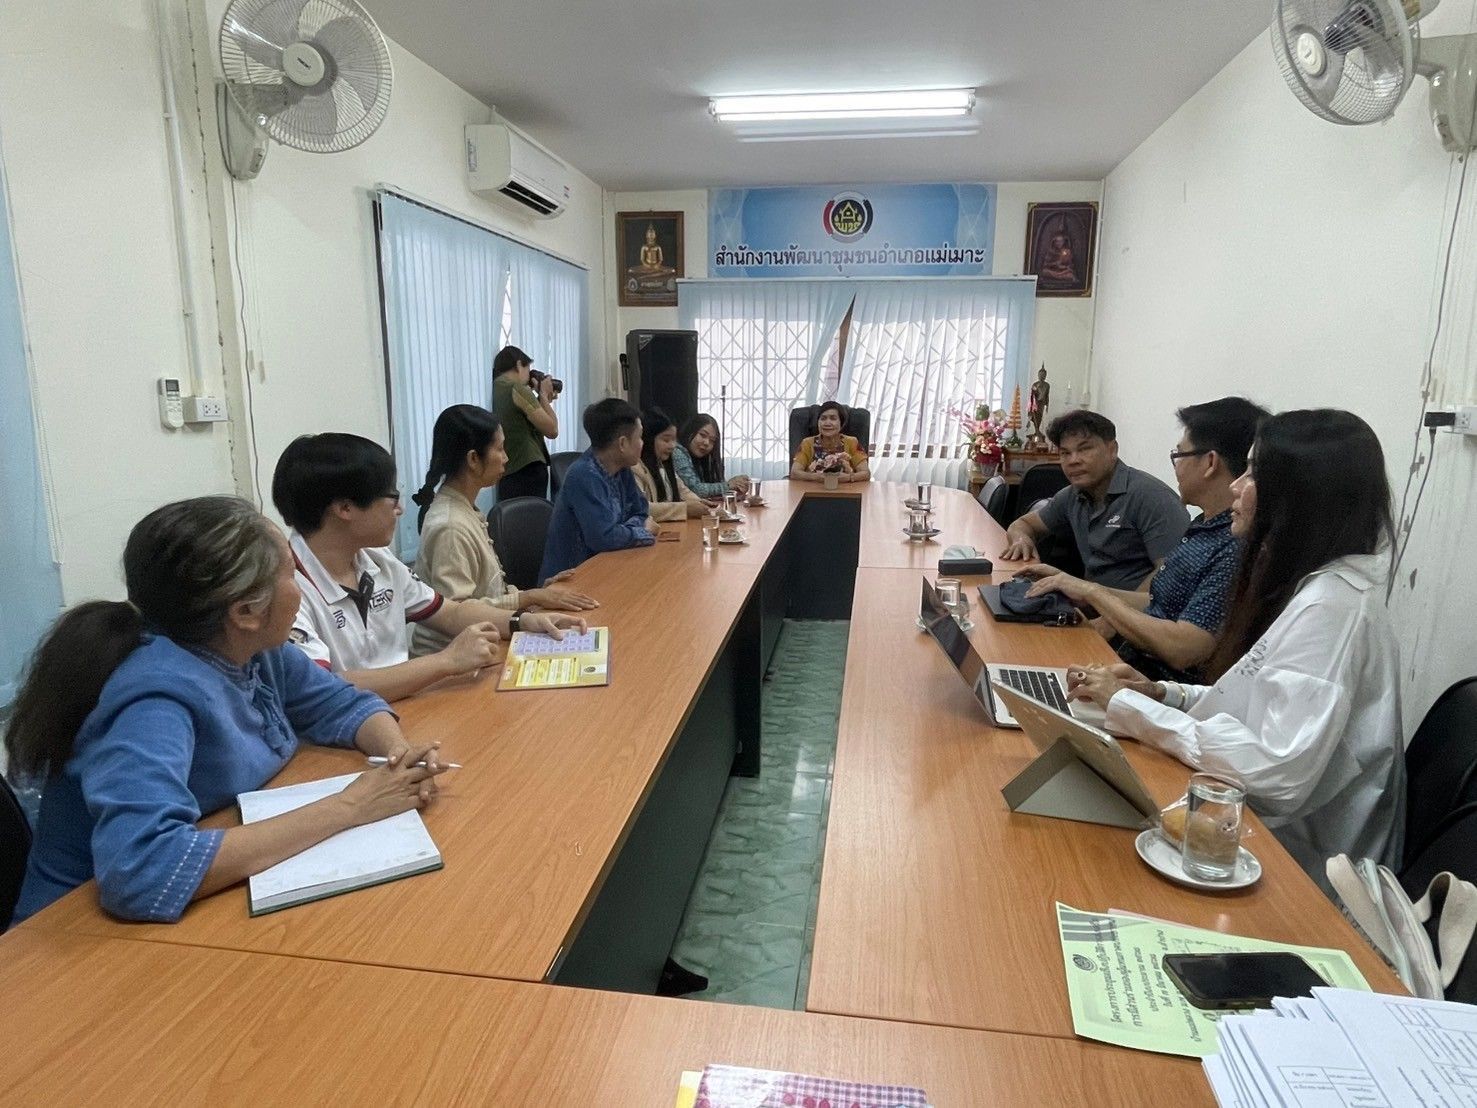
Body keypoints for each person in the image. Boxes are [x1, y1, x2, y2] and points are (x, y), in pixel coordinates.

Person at [5, 496, 451, 925]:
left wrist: (396, 755)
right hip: (72, 944)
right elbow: (143, 871)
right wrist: (353, 804)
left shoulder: (252, 649)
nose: (301, 588)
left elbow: (338, 701)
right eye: (293, 575)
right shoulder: (152, 701)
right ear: (245, 612)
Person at [1066, 409, 1404, 891]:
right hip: (1247, 830)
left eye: (1252, 474)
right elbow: (1246, 701)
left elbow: (1275, 772)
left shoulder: (1334, 609)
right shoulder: (1316, 587)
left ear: (1298, 498)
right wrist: (1160, 694)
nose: (1236, 488)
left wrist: (1132, 710)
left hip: (1298, 869)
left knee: (1090, 858)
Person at [273, 432, 584, 701]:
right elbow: (325, 688)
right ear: (344, 508)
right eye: (391, 497)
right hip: (339, 734)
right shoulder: (285, 590)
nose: (400, 508)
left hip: (403, 707)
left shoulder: (377, 562)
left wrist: (522, 622)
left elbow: (448, 613)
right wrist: (445, 662)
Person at [1020, 397, 1268, 682]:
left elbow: (1185, 649)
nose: (1175, 467)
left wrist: (1094, 595)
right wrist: (1070, 583)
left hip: (1155, 689)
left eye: (1179, 455)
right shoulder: (1204, 524)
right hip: (1128, 665)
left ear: (1210, 463)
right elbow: (1156, 602)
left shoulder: (1234, 543)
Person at [409, 405, 598, 659]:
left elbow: (487, 593)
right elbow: (457, 614)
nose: (506, 458)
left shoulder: (464, 508)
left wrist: (531, 597)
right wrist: (527, 598)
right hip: (453, 660)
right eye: (499, 449)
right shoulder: (450, 525)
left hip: (487, 641)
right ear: (473, 459)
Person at [1000, 409, 1188, 590]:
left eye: (1084, 449)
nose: (1073, 460)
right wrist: (1020, 540)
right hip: (1090, 605)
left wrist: (1112, 615)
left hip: (1135, 616)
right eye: (1065, 453)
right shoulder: (1072, 495)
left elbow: (1173, 577)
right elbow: (1023, 524)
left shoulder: (1150, 497)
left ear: (1112, 450)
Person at [540, 398, 659, 580]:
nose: (643, 443)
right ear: (622, 444)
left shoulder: (622, 469)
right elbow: (603, 538)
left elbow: (641, 512)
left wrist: (625, 530)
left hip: (611, 567)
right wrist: (643, 531)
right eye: (640, 437)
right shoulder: (583, 475)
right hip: (572, 580)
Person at [492, 345, 558, 501]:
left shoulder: (496, 388)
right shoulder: (517, 388)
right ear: (518, 364)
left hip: (507, 470)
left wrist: (542, 400)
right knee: (532, 521)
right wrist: (543, 394)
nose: (529, 376)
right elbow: (552, 430)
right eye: (528, 369)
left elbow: (522, 420)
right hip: (528, 469)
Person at [633, 406, 710, 522]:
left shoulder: (663, 464)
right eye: (666, 440)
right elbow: (643, 508)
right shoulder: (635, 468)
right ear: (648, 439)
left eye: (674, 440)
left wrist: (701, 504)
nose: (672, 446)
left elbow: (683, 490)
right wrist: (685, 509)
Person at [790, 400, 871, 484]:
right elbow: (794, 473)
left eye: (833, 418)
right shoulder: (807, 443)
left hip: (845, 491)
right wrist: (815, 477)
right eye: (823, 418)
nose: (827, 423)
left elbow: (866, 473)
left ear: (841, 423)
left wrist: (848, 477)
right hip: (813, 491)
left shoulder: (852, 442)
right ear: (818, 422)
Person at [673, 413, 751, 499]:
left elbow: (711, 488)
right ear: (690, 431)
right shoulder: (677, 452)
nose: (706, 443)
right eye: (702, 435)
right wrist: (729, 485)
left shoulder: (704, 458)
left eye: (712, 440)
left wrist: (737, 487)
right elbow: (696, 490)